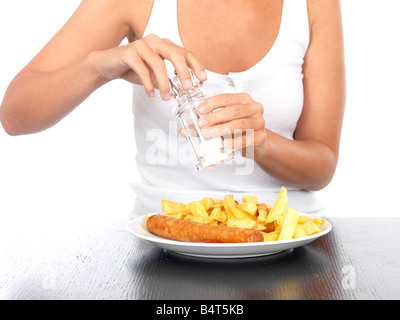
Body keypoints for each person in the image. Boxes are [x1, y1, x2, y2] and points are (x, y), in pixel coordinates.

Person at [0, 0, 345, 215]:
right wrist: (96, 69)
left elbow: (322, 166)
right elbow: (15, 114)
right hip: (164, 244)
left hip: (283, 244)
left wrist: (262, 143)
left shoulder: (313, 4)